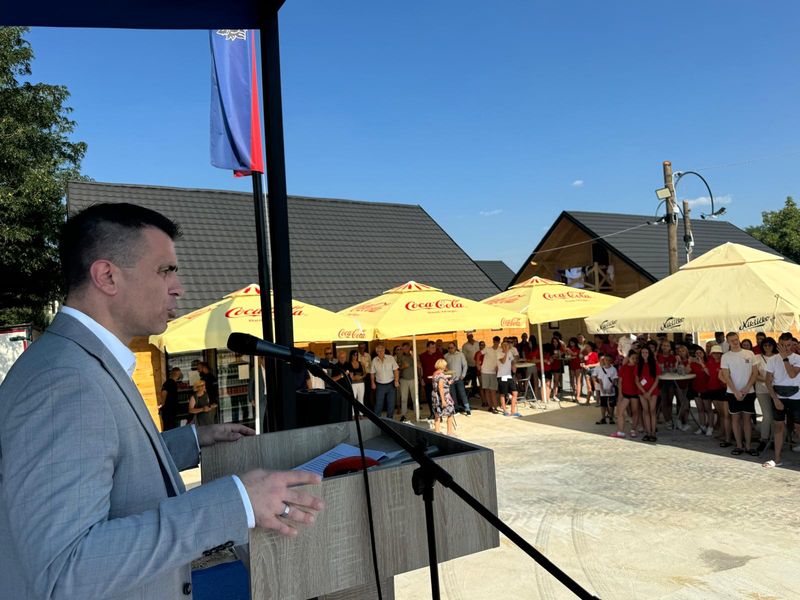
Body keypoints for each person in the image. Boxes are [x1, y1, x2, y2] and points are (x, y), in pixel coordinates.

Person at [0, 203, 323, 600]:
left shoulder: (80, 363)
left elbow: (106, 462)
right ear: (107, 276)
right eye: (165, 270)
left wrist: (192, 441)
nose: (178, 287)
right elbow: (65, 569)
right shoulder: (65, 381)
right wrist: (236, 503)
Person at [763, 332, 800, 468]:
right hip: (779, 396)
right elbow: (768, 381)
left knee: (798, 427)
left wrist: (785, 358)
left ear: (793, 344)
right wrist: (775, 399)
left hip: (796, 397)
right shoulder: (772, 359)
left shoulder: (798, 358)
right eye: (783, 345)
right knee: (778, 427)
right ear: (778, 345)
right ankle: (777, 459)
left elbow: (792, 375)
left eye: (789, 345)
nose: (786, 348)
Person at [719, 332, 758, 456]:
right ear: (728, 342)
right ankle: (739, 446)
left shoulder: (749, 353)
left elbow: (755, 373)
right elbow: (726, 376)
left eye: (736, 339)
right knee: (735, 419)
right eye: (732, 340)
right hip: (732, 393)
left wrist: (747, 388)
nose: (735, 342)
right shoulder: (725, 356)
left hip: (749, 392)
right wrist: (735, 391)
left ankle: (748, 446)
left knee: (747, 419)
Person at [754, 337, 778, 453]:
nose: (767, 347)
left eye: (770, 345)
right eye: (765, 345)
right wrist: (767, 380)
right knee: (767, 415)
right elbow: (754, 375)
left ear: (773, 346)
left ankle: (774, 439)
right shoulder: (757, 357)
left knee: (775, 416)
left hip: (776, 390)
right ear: (762, 346)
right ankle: (763, 439)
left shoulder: (778, 357)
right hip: (762, 390)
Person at [613, 350, 641, 438]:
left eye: (636, 358)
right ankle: (620, 431)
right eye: (633, 358)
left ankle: (633, 430)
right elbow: (620, 381)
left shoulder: (638, 368)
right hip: (625, 393)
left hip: (635, 393)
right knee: (620, 412)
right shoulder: (624, 367)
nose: (635, 360)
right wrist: (620, 393)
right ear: (629, 358)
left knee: (635, 412)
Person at [637, 346, 661, 442]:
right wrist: (644, 392)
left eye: (646, 352)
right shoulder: (638, 365)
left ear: (649, 353)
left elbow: (657, 379)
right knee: (645, 411)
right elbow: (636, 380)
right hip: (642, 391)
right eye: (643, 352)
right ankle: (648, 432)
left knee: (652, 411)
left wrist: (649, 392)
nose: (644, 354)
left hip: (653, 391)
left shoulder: (654, 364)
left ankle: (653, 432)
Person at [370, 343, 400, 419]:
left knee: (391, 403)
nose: (380, 352)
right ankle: (377, 419)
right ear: (376, 352)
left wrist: (396, 380)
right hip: (380, 385)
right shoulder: (374, 360)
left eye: (382, 350)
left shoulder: (390, 358)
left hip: (391, 384)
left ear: (384, 350)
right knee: (379, 403)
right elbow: (372, 373)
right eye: (378, 351)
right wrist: (372, 382)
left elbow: (396, 370)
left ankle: (390, 419)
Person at [419, 341, 444, 419]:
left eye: (434, 347)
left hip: (438, 380)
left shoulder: (439, 354)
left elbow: (443, 367)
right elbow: (420, 368)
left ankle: (439, 414)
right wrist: (421, 379)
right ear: (427, 348)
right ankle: (432, 413)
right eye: (432, 347)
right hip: (427, 381)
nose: (434, 349)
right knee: (430, 398)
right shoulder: (422, 356)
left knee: (438, 398)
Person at [445, 342, 471, 416]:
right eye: (449, 348)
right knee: (453, 395)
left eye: (451, 348)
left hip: (459, 378)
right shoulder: (446, 356)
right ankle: (456, 408)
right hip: (450, 379)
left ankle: (467, 408)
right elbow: (444, 367)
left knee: (462, 394)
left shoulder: (460, 354)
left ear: (455, 347)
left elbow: (465, 365)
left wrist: (463, 375)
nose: (450, 349)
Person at [431, 358, 456, 435]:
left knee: (437, 414)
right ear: (443, 366)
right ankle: (450, 432)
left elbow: (438, 384)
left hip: (435, 396)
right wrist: (443, 400)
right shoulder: (441, 375)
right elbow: (441, 388)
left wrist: (448, 383)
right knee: (450, 413)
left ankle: (437, 432)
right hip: (443, 396)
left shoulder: (435, 374)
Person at [593, 354, 618, 426]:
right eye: (605, 360)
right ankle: (603, 418)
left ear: (611, 361)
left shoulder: (613, 369)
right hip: (603, 389)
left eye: (608, 360)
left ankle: (611, 417)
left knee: (611, 405)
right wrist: (601, 389)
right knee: (603, 404)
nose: (607, 361)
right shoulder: (601, 369)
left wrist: (611, 388)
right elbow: (600, 380)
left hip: (611, 389)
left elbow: (614, 379)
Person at [497, 340, 520, 416]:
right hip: (502, 376)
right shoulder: (499, 353)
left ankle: (513, 411)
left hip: (509, 375)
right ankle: (504, 410)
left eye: (507, 345)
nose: (506, 347)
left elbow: (512, 360)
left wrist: (513, 365)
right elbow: (503, 361)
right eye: (504, 345)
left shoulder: (510, 353)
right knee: (503, 394)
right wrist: (506, 353)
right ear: (502, 346)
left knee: (515, 392)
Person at [480, 336, 501, 413]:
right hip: (485, 371)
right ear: (493, 341)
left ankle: (494, 406)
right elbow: (479, 354)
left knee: (493, 390)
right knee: (487, 390)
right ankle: (491, 406)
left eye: (497, 341)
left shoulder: (500, 350)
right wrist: (478, 364)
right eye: (495, 341)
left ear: (499, 342)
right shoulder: (487, 349)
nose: (496, 343)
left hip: (493, 372)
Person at [396, 343, 416, 422]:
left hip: (413, 379)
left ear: (409, 348)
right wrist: (403, 367)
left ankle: (417, 414)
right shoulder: (400, 356)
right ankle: (403, 415)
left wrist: (413, 357)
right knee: (404, 399)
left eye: (406, 348)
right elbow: (398, 368)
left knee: (415, 398)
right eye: (403, 348)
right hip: (403, 379)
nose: (405, 350)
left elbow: (419, 365)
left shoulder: (414, 355)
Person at [159, 366, 182, 431]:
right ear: (177, 374)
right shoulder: (169, 382)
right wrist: (163, 403)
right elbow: (164, 392)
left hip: (171, 411)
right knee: (169, 428)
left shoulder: (172, 383)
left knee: (171, 428)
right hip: (168, 411)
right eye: (179, 374)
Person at [462, 333, 481, 397]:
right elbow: (464, 356)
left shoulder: (477, 343)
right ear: (467, 337)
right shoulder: (465, 346)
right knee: (473, 379)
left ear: (472, 336)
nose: (469, 337)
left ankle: (482, 391)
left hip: (479, 364)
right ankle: (475, 392)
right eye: (468, 336)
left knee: (481, 379)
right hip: (471, 365)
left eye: (470, 336)